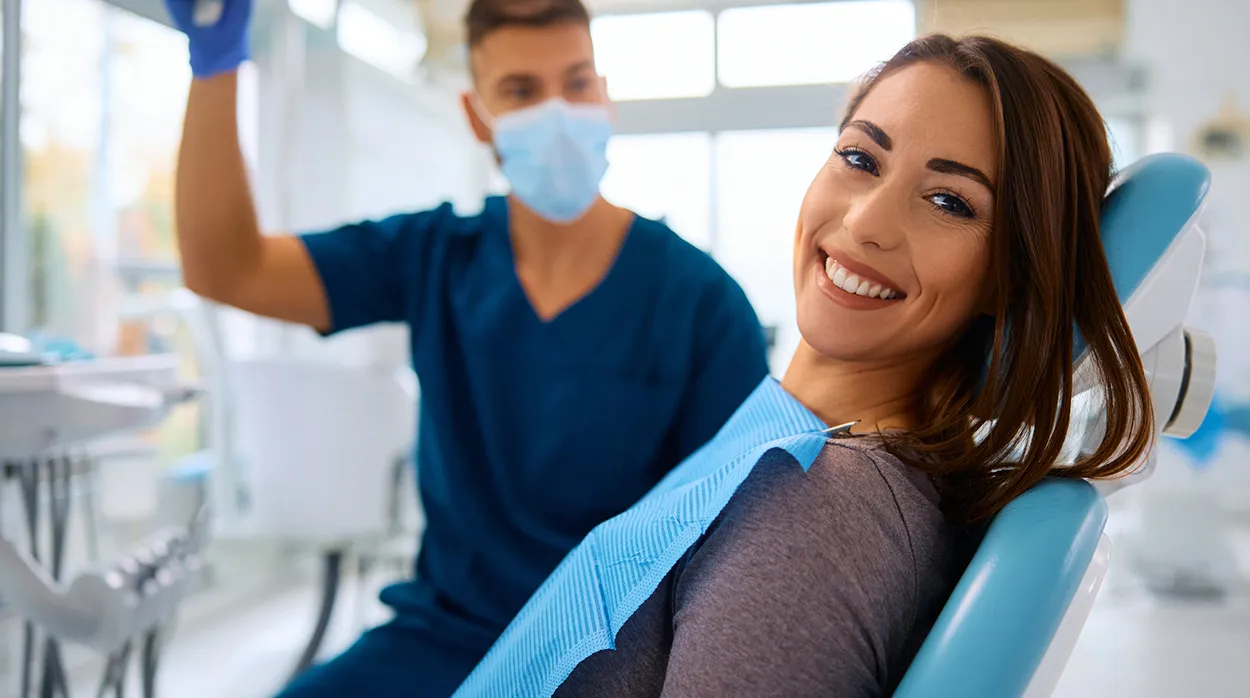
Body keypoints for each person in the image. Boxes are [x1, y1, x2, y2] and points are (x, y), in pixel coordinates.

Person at [455, 34, 1156, 698]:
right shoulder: (792, 439)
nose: (864, 224)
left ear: (1010, 275)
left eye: (950, 201)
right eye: (860, 158)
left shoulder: (823, 509)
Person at [161, 0, 769, 695]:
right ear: (478, 117)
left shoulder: (701, 301)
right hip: (444, 639)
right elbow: (225, 267)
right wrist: (215, 65)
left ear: (604, 96)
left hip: (612, 655)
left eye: (576, 83)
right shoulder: (435, 257)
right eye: (521, 91)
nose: (557, 111)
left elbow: (738, 550)